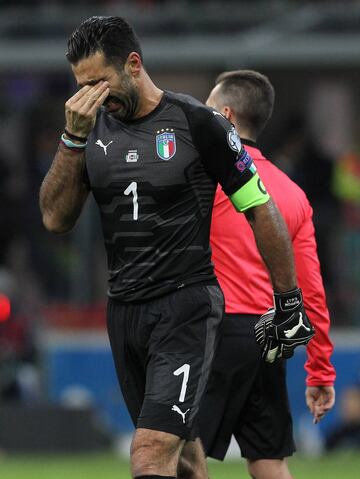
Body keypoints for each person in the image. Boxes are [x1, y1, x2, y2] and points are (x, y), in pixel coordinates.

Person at [39, 17, 313, 479]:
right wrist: (71, 140)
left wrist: (288, 299)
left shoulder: (198, 123)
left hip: (185, 307)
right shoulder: (88, 132)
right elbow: (54, 219)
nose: (89, 97)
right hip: (124, 312)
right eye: (80, 86)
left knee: (149, 452)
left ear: (133, 64)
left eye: (98, 82)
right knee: (184, 456)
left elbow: (259, 208)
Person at [183, 70, 335, 479]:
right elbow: (311, 290)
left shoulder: (206, 179)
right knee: (268, 460)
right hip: (268, 336)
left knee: (179, 449)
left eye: (209, 112)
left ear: (226, 117)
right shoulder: (293, 193)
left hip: (215, 331)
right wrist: (320, 369)